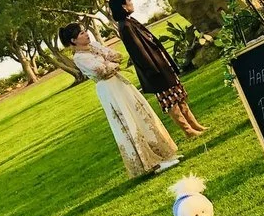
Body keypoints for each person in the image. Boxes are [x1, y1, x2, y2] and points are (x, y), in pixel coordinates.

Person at [60, 21, 181, 178]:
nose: (86, 34)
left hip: (120, 83)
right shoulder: (79, 58)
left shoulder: (94, 46)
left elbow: (117, 56)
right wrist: (108, 61)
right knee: (129, 121)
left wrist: (107, 60)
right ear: (73, 40)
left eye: (85, 31)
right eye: (81, 33)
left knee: (140, 115)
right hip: (109, 90)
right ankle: (152, 162)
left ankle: (163, 154)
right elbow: (101, 70)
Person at [108, 0, 207, 137]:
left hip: (161, 64)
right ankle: (188, 131)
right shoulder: (125, 26)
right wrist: (152, 70)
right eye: (128, 0)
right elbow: (138, 52)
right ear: (123, 6)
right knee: (170, 101)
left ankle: (194, 124)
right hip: (155, 69)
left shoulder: (130, 21)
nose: (131, 2)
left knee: (179, 95)